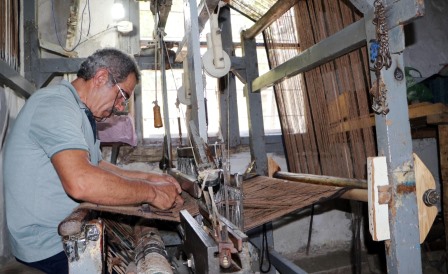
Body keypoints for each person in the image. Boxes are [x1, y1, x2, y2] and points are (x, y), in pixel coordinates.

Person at [3, 48, 183, 274]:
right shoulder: (55, 105)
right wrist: (153, 193)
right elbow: (82, 182)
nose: (120, 108)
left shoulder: (81, 113)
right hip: (48, 248)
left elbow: (97, 166)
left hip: (65, 237)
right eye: (122, 96)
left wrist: (153, 178)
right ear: (100, 78)